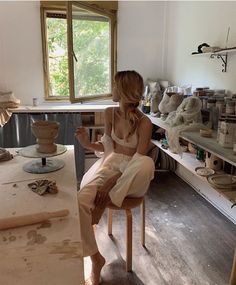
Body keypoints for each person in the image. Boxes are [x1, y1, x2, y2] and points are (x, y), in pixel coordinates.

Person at [75, 70, 155, 285]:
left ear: (123, 90)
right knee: (80, 200)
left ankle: (107, 197)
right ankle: (95, 258)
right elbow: (108, 147)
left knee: (147, 163)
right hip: (111, 165)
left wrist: (112, 181)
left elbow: (138, 158)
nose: (111, 89)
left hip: (132, 175)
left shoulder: (145, 122)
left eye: (114, 85)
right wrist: (86, 144)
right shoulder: (109, 113)